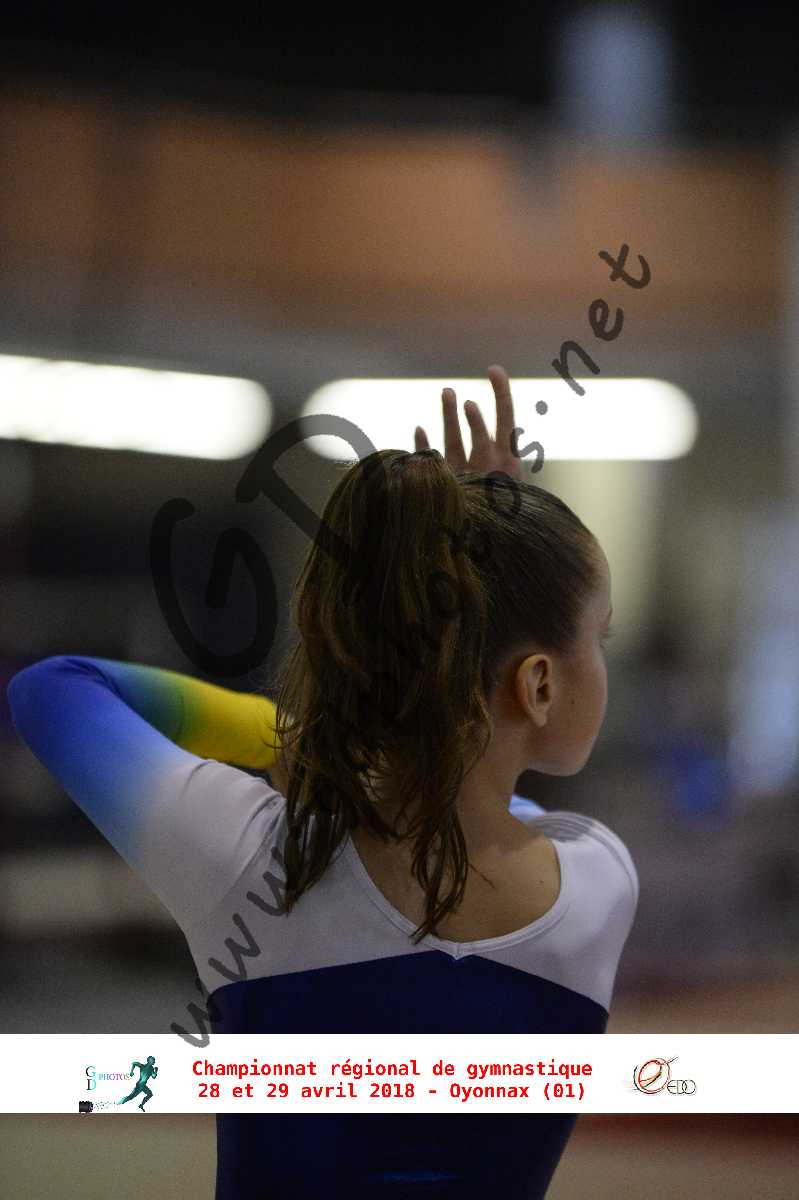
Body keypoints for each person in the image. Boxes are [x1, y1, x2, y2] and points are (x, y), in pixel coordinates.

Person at [7, 365, 638, 1198]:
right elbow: (480, 805)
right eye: (600, 637)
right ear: (539, 684)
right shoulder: (597, 881)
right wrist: (480, 579)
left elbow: (52, 688)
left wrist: (291, 737)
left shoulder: (249, 855)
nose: (605, 661)